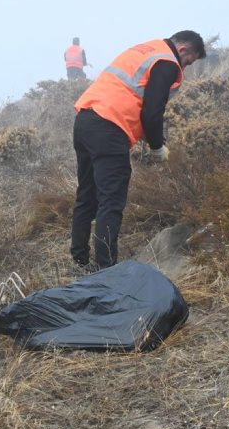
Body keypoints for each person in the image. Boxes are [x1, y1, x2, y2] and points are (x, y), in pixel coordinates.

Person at [70, 30, 206, 271]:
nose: (185, 66)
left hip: (85, 120)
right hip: (110, 128)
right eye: (189, 61)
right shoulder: (167, 62)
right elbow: (152, 111)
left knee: (87, 194)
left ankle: (79, 258)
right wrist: (157, 148)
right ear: (184, 50)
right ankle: (107, 269)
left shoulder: (147, 49)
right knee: (110, 200)